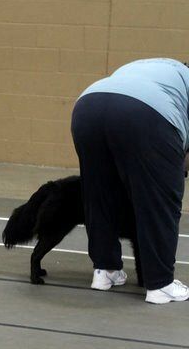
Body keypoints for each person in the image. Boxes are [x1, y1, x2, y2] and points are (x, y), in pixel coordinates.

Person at [71, 58, 189, 304]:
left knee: (99, 193)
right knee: (159, 201)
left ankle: (105, 271)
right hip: (144, 114)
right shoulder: (180, 82)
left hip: (88, 106)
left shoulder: (152, 67)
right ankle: (161, 284)